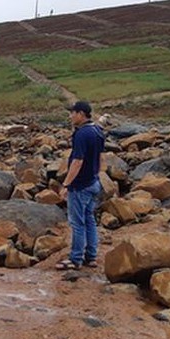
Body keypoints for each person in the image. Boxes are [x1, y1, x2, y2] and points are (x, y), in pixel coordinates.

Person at [56, 101, 105, 270]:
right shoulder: (97, 131)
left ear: (81, 114)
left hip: (81, 185)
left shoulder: (82, 134)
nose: (70, 116)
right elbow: (99, 157)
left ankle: (75, 259)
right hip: (93, 182)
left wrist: (66, 184)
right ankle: (91, 257)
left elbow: (77, 161)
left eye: (72, 113)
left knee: (77, 223)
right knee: (89, 219)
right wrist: (96, 175)